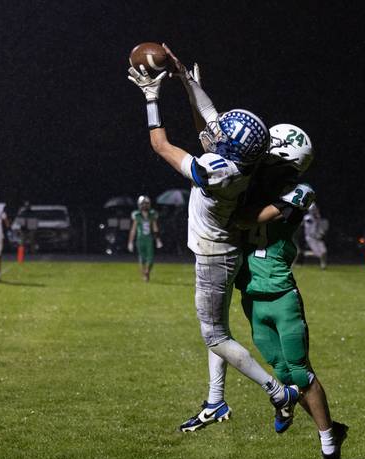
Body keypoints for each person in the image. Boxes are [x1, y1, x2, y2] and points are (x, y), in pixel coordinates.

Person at [127, 44, 299, 432]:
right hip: (225, 249)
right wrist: (186, 79)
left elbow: (160, 145)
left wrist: (151, 97)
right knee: (219, 330)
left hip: (213, 256)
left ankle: (277, 392)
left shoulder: (217, 170)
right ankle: (215, 401)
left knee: (214, 336)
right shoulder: (244, 161)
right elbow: (210, 118)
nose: (217, 131)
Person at [235, 123, 348, 459]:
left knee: (299, 371)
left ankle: (329, 451)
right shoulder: (249, 183)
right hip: (251, 295)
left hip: (281, 293)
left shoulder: (300, 192)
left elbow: (249, 219)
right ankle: (327, 427)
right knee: (282, 371)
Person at [127, 195, 162, 282]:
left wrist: (157, 239)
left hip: (149, 239)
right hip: (140, 239)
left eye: (146, 203)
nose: (145, 205)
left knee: (150, 258)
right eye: (143, 204)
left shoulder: (152, 215)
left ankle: (147, 272)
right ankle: (144, 274)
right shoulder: (137, 215)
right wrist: (130, 242)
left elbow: (155, 228)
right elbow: (133, 230)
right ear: (139, 204)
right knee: (142, 258)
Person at [303, 201, 328, 270]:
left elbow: (320, 226)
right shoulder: (308, 218)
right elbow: (308, 222)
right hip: (310, 238)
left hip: (318, 237)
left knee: (324, 251)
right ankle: (305, 253)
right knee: (318, 254)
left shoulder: (318, 217)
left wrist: (321, 233)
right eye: (313, 210)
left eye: (315, 210)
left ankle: (323, 264)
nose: (315, 211)